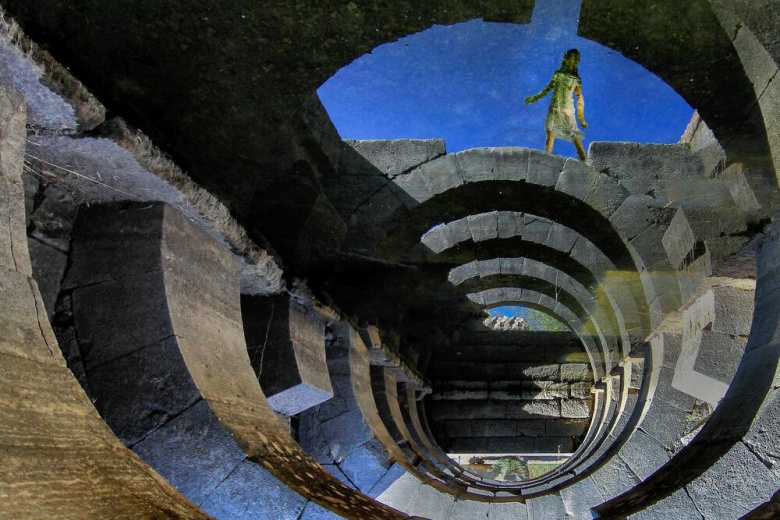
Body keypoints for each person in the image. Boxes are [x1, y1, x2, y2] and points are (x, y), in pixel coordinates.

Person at [525, 49, 588, 161]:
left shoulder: (575, 79)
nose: (572, 60)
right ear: (566, 58)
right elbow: (547, 89)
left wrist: (581, 117)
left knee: (574, 136)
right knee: (550, 133)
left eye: (574, 58)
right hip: (554, 107)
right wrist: (534, 98)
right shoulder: (558, 74)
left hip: (567, 109)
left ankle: (584, 162)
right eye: (570, 57)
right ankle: (546, 158)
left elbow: (580, 98)